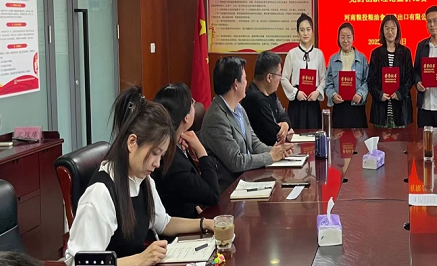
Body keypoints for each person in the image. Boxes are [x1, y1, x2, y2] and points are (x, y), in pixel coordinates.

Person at [66, 87, 214, 266]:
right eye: (154, 153)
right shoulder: (100, 194)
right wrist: (141, 259)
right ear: (132, 142)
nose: (157, 163)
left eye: (161, 156)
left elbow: (164, 223)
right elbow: (82, 263)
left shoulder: (142, 179)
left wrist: (206, 224)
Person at [200, 57, 294, 192]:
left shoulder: (239, 108)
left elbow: (254, 143)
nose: (247, 82)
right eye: (244, 78)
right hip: (229, 189)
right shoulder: (216, 118)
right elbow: (236, 161)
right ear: (235, 84)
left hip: (247, 179)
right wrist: (270, 156)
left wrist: (279, 151)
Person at [152, 83, 220, 218]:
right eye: (192, 103)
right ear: (186, 118)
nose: (194, 105)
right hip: (178, 226)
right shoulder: (172, 159)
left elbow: (186, 188)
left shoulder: (174, 144)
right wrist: (201, 151)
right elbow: (213, 196)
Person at [280, 13, 326, 129]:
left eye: (308, 29)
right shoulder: (292, 53)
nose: (305, 33)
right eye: (302, 30)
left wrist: (317, 92)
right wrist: (296, 93)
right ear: (298, 32)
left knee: (314, 134)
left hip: (313, 101)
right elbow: (284, 78)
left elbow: (324, 78)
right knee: (296, 135)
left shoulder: (319, 54)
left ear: (312, 31)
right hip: (297, 102)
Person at [368, 14, 414, 128]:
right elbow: (371, 79)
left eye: (393, 28)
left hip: (400, 109)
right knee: (379, 139)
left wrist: (400, 93)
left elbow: (410, 77)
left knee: (401, 139)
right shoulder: (376, 53)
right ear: (382, 30)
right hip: (380, 110)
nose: (390, 32)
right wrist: (379, 94)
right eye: (387, 28)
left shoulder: (405, 52)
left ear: (397, 30)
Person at [241, 51, 294, 145]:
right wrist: (286, 131)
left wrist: (285, 124)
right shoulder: (255, 98)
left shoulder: (270, 93)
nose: (280, 78)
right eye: (279, 74)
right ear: (269, 77)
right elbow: (274, 135)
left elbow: (283, 114)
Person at [324, 22, 369, 128]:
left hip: (357, 107)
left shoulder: (362, 58)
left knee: (359, 138)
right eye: (342, 37)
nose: (345, 40)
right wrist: (333, 95)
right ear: (338, 38)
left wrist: (360, 94)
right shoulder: (333, 59)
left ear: (353, 38)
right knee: (339, 138)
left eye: (348, 37)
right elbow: (328, 83)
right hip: (340, 108)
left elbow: (367, 81)